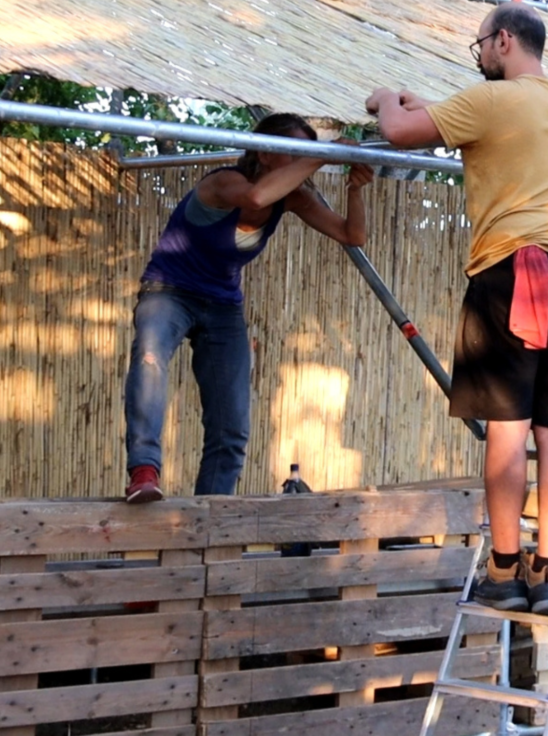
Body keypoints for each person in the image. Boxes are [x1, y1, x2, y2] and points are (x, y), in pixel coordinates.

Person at [365, 1, 548, 616]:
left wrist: (386, 98)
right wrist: (429, 106)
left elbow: (398, 133)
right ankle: (547, 572)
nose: (479, 60)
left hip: (518, 271)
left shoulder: (492, 100)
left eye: (479, 47)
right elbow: (474, 123)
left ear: (502, 41)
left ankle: (502, 570)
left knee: (507, 426)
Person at [123, 113, 373, 504]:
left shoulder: (292, 198)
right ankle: (144, 470)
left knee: (232, 422)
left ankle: (213, 509)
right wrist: (323, 155)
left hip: (222, 305)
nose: (302, 163)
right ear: (264, 153)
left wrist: (355, 190)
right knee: (150, 359)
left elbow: (351, 234)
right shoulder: (224, 182)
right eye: (294, 152)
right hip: (169, 291)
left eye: (306, 154)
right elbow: (257, 197)